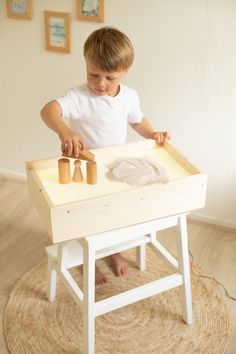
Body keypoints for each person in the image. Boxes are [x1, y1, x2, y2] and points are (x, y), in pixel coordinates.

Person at [41, 26, 170, 284]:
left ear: (125, 71)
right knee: (84, 218)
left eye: (110, 78)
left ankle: (113, 252)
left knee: (113, 216)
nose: (101, 84)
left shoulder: (130, 96)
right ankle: (85, 261)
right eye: (94, 74)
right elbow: (48, 110)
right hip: (85, 168)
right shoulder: (79, 97)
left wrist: (152, 133)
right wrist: (64, 129)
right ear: (86, 65)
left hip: (114, 168)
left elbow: (137, 121)